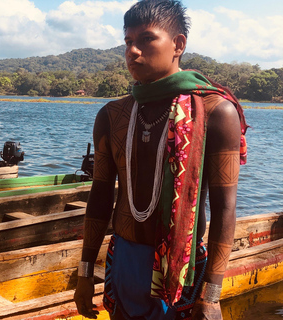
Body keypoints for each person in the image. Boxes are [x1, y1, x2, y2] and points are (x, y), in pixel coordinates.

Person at [73, 0, 248, 319]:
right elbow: (99, 197)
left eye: (146, 39)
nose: (133, 51)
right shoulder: (112, 116)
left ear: (178, 44)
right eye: (128, 42)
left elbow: (225, 208)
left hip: (184, 271)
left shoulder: (215, 113)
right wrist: (85, 273)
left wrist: (211, 295)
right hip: (123, 261)